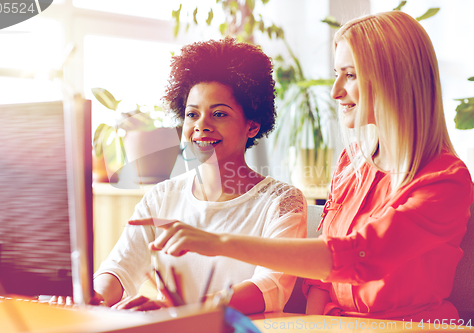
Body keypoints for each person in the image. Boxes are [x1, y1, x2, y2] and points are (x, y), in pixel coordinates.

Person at [134, 11, 474, 321]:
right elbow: (322, 283)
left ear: (396, 78)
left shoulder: (446, 182)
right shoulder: (352, 164)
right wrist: (315, 327)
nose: (336, 92)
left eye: (350, 75)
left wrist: (217, 242)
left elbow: (353, 257)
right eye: (336, 75)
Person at [93, 37, 307, 314]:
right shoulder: (161, 197)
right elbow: (119, 267)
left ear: (252, 126)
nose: (201, 126)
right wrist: (95, 297)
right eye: (192, 114)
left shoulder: (282, 202)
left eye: (218, 114)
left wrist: (183, 309)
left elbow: (269, 287)